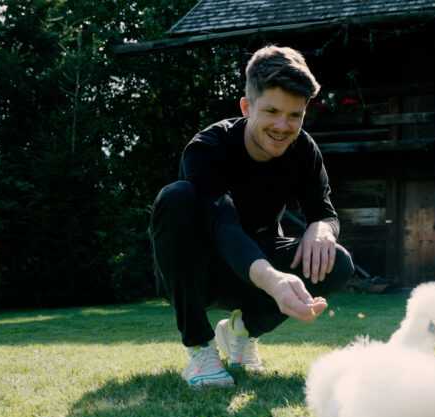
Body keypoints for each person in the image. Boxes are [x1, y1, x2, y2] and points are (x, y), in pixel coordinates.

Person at [150, 45, 354, 388]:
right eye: (272, 111)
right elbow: (223, 225)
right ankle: (200, 349)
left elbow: (324, 210)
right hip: (203, 270)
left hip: (261, 262)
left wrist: (321, 228)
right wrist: (274, 281)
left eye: (294, 115)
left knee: (338, 260)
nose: (283, 126)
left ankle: (241, 332)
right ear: (247, 107)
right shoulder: (207, 148)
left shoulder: (303, 150)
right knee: (176, 196)